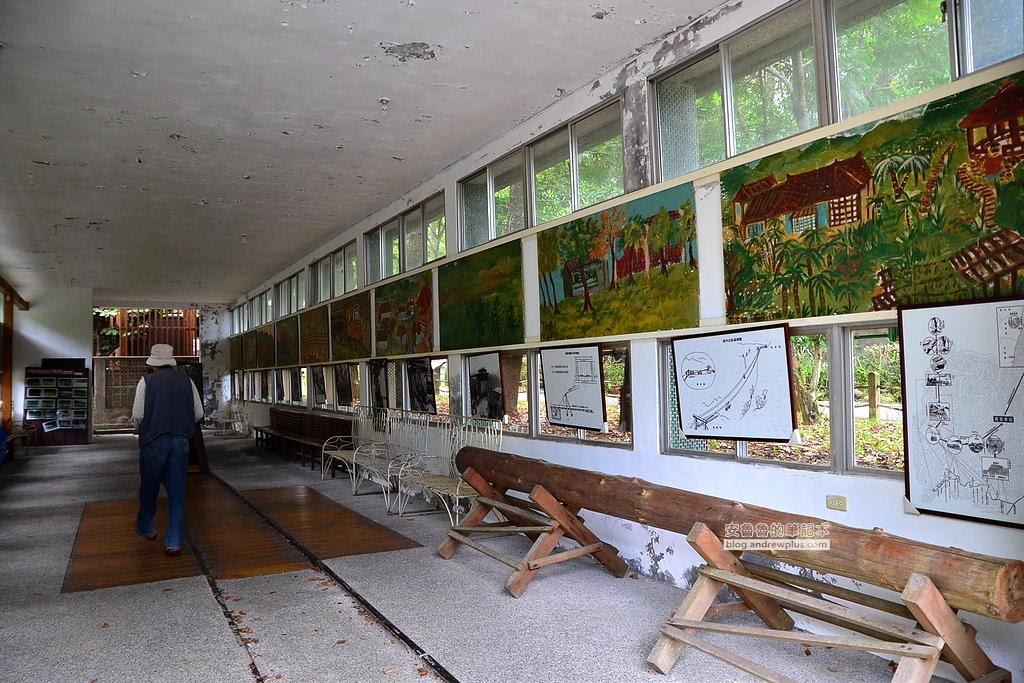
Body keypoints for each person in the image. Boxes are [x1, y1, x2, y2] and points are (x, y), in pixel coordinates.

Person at [131, 344, 204, 556]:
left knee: (149, 486)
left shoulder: (146, 382)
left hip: (153, 440)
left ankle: (146, 527)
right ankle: (173, 541)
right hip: (181, 441)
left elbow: (138, 416)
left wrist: (141, 430)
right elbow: (198, 413)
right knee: (177, 491)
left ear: (153, 364)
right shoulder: (186, 381)